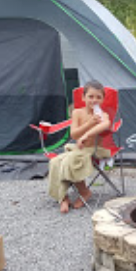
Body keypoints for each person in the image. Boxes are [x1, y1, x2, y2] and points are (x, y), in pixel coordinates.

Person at [47, 80, 112, 213]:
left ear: (103, 99)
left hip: (95, 149)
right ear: (83, 98)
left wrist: (87, 135)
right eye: (91, 96)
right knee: (55, 162)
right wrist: (89, 124)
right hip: (79, 149)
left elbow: (105, 125)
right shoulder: (77, 113)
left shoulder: (103, 115)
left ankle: (84, 192)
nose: (94, 100)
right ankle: (63, 197)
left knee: (71, 161)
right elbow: (74, 134)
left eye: (98, 97)